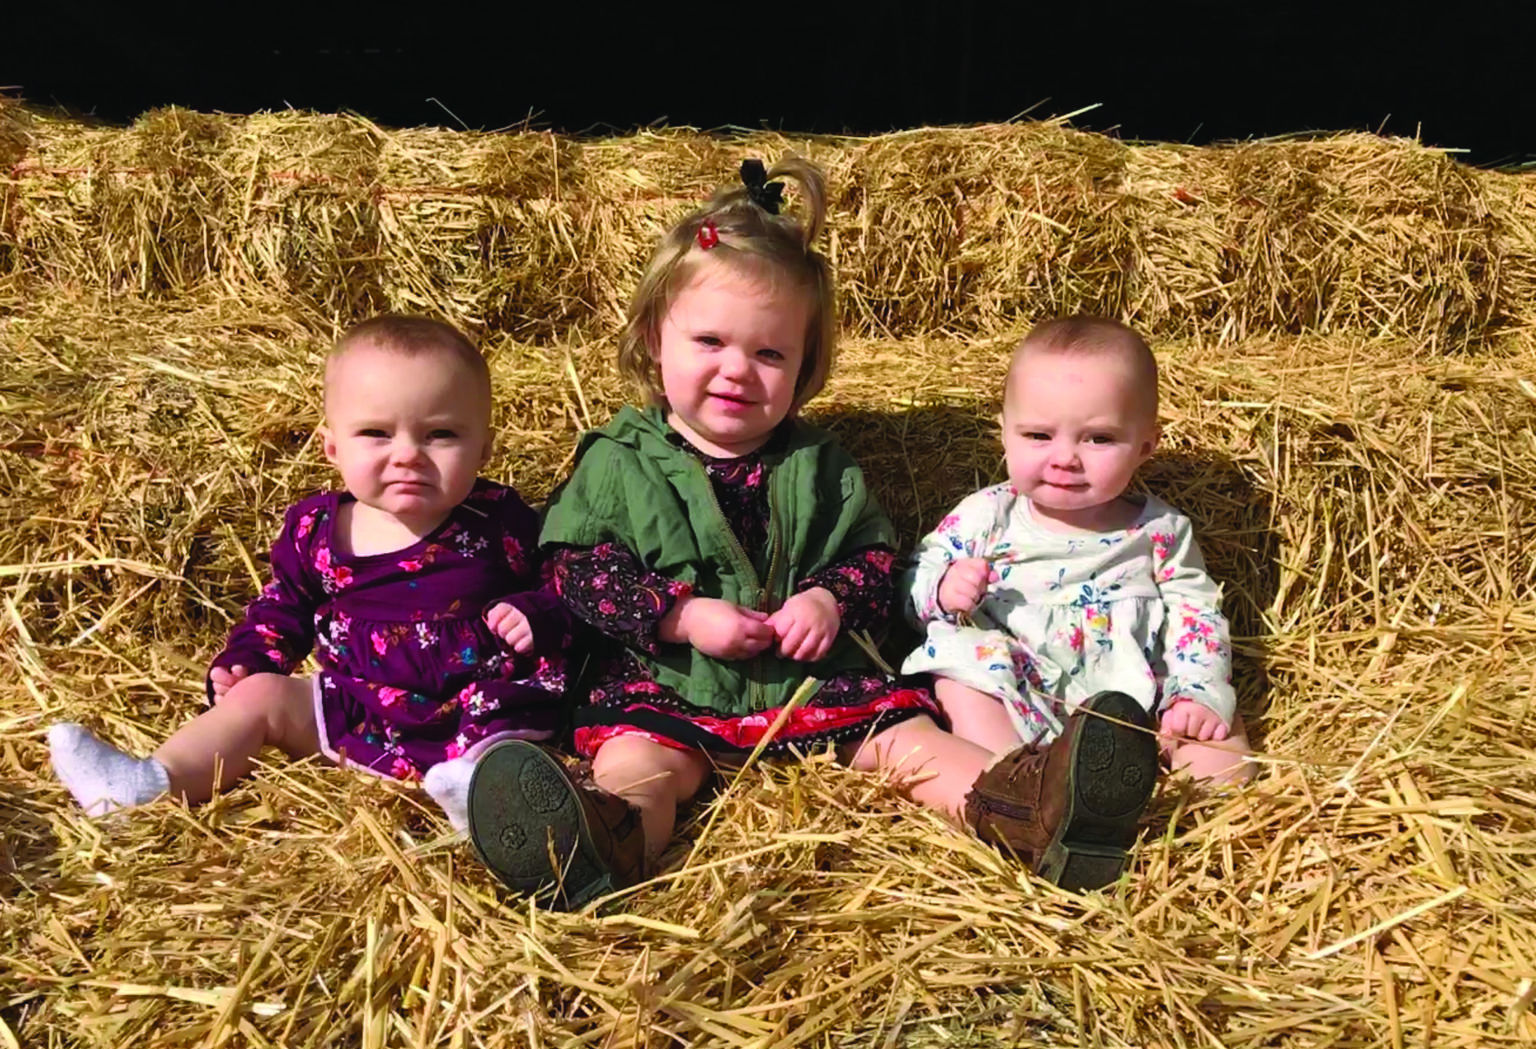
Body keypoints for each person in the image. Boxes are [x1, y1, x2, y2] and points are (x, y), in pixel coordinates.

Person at [462, 161, 1163, 908]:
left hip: (816, 688)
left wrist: (829, 600)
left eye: (769, 354)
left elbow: (873, 560)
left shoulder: (821, 463)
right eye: (710, 341)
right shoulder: (618, 459)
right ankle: (600, 843)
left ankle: (1028, 814)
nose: (737, 371)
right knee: (640, 766)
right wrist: (678, 615)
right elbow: (574, 569)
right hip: (668, 685)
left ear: (803, 369)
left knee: (910, 744)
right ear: (653, 339)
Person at [47, 315, 571, 834]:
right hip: (356, 705)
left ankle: (478, 798)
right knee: (261, 698)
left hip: (475, 705)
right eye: (376, 433)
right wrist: (250, 661)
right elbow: (284, 606)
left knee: (506, 731)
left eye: (441, 434)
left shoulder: (499, 519)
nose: (408, 455)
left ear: (484, 448)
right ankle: (147, 786)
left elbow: (559, 581)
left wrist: (537, 613)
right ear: (333, 447)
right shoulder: (316, 530)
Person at [903, 315, 1255, 788]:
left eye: (1098, 438)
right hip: (1019, 693)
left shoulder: (1159, 532)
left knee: (1216, 736)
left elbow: (1197, 617)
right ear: (1003, 433)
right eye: (1038, 436)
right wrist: (942, 590)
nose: (1065, 457)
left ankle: (1206, 801)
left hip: (1136, 703)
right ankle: (1018, 786)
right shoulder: (987, 516)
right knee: (959, 670)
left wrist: (1196, 695)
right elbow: (910, 580)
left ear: (1145, 446)